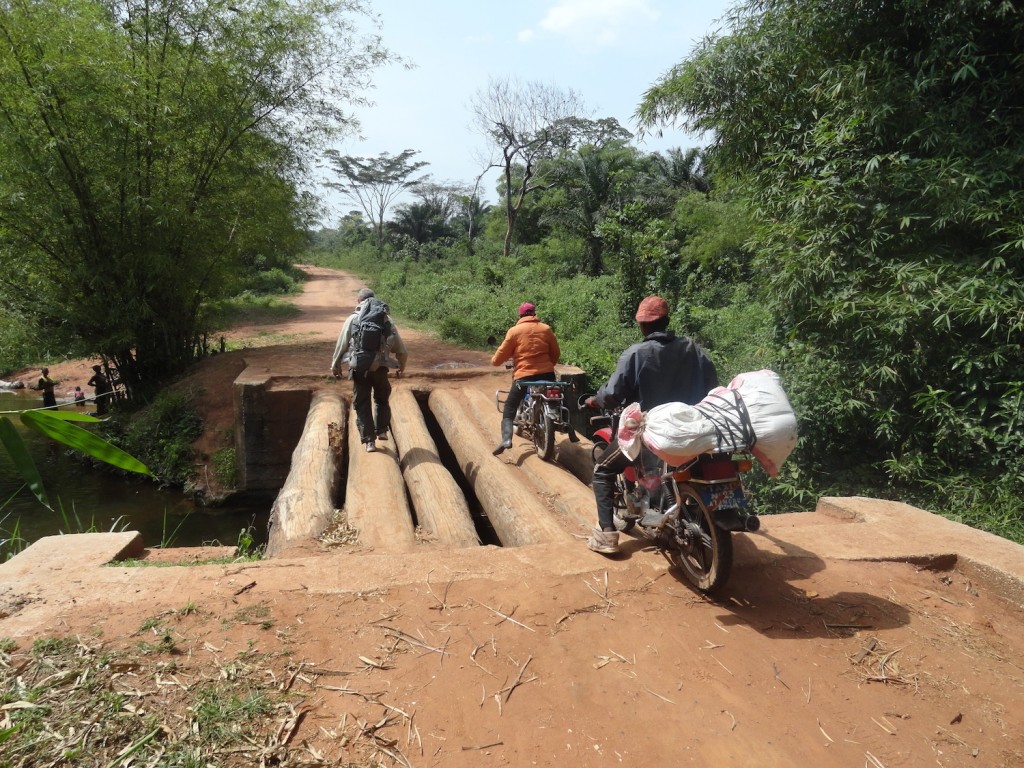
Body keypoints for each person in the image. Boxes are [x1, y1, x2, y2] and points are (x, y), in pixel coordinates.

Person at [583, 295, 719, 555]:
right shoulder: (694, 349)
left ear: (642, 326)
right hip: (694, 430)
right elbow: (713, 386)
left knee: (602, 470)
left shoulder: (637, 353)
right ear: (667, 321)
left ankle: (606, 538)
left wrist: (594, 399)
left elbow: (612, 394)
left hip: (652, 431)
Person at [330, 287, 408, 453]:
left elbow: (341, 345)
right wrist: (401, 366)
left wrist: (335, 366)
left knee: (362, 403)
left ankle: (369, 441)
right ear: (374, 299)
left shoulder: (353, 319)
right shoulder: (386, 319)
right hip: (380, 368)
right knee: (382, 398)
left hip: (360, 368)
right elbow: (401, 348)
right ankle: (382, 431)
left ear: (358, 301)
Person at [490, 302, 561, 455]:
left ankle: (506, 439)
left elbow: (497, 359)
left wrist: (496, 360)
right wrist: (548, 365)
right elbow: (555, 353)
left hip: (524, 375)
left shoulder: (514, 331)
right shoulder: (546, 329)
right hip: (547, 374)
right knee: (556, 399)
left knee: (509, 407)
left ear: (520, 315)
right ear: (534, 313)